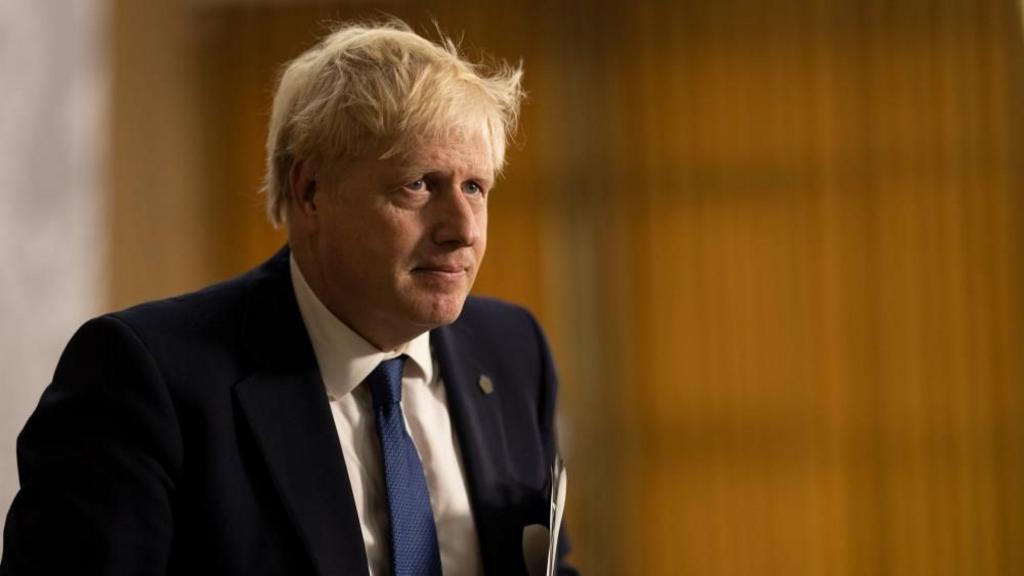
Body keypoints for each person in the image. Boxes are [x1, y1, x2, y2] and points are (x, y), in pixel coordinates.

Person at [1, 20, 575, 575]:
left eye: (475, 187)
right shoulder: (144, 380)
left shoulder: (512, 352)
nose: (463, 229)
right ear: (310, 192)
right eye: (418, 184)